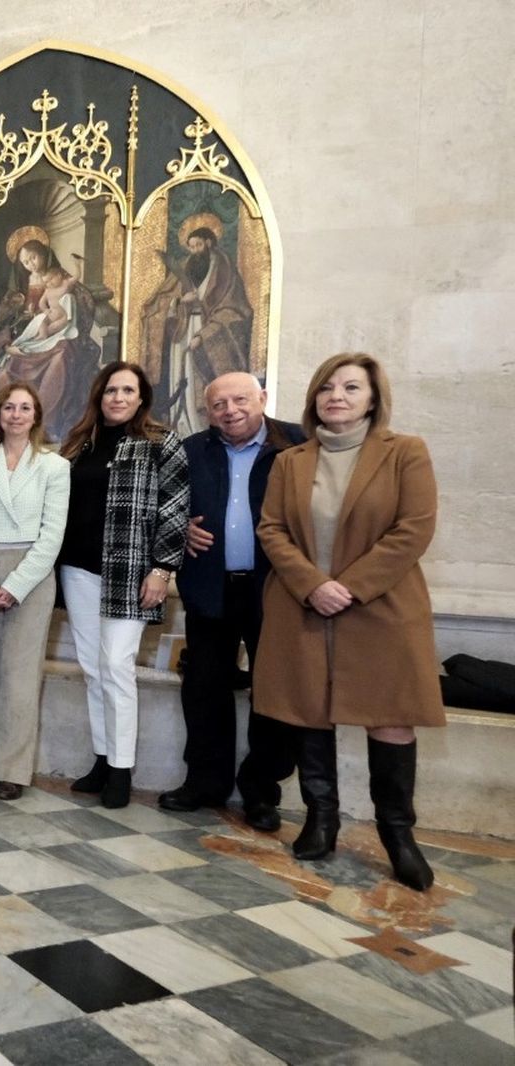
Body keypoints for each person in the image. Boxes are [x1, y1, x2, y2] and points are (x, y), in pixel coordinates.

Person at [254, 354, 443, 891]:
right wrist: (314, 584)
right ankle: (321, 820)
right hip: (304, 606)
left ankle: (398, 836)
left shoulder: (405, 452)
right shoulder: (290, 461)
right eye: (326, 388)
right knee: (310, 712)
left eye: (351, 387)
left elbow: (413, 530)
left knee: (391, 718)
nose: (336, 395)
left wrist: (350, 587)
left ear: (373, 398)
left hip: (381, 609)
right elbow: (272, 530)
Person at [160, 371, 303, 829]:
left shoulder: (296, 444)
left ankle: (262, 793)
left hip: (275, 591)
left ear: (262, 397)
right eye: (219, 404)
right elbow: (165, 507)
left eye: (240, 400)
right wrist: (178, 531)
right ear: (208, 411)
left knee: (274, 694)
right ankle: (205, 782)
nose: (231, 411)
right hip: (209, 587)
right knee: (203, 688)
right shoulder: (191, 449)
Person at [57, 362, 189, 809]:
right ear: (99, 396)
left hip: (130, 573)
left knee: (116, 666)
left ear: (141, 398)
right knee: (93, 669)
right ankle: (101, 758)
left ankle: (121, 769)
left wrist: (162, 569)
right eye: (111, 390)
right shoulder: (77, 445)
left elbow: (175, 508)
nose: (118, 397)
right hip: (77, 569)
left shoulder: (159, 442)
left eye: (127, 390)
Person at [0, 382, 69, 799]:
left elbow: (51, 535)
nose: (16, 414)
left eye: (25, 408)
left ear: (36, 416)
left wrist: (15, 587)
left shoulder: (54, 467)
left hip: (32, 575)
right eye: (9, 407)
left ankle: (13, 769)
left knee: (20, 675)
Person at [0, 238, 100, 443]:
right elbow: (4, 319)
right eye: (26, 262)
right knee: (4, 369)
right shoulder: (19, 289)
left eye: (33, 257)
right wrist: (14, 334)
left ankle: (46, 424)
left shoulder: (59, 278)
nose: (31, 264)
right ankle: (8, 426)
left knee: (62, 356)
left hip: (58, 336)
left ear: (44, 254)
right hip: (26, 336)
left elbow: (81, 302)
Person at [139, 226, 254, 436]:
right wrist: (179, 301)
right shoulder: (184, 267)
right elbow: (158, 303)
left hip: (209, 332)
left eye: (198, 245)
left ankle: (200, 427)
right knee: (180, 375)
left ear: (209, 243)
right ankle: (181, 425)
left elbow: (235, 309)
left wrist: (204, 335)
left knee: (198, 379)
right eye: (190, 246)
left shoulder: (225, 270)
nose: (194, 251)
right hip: (182, 331)